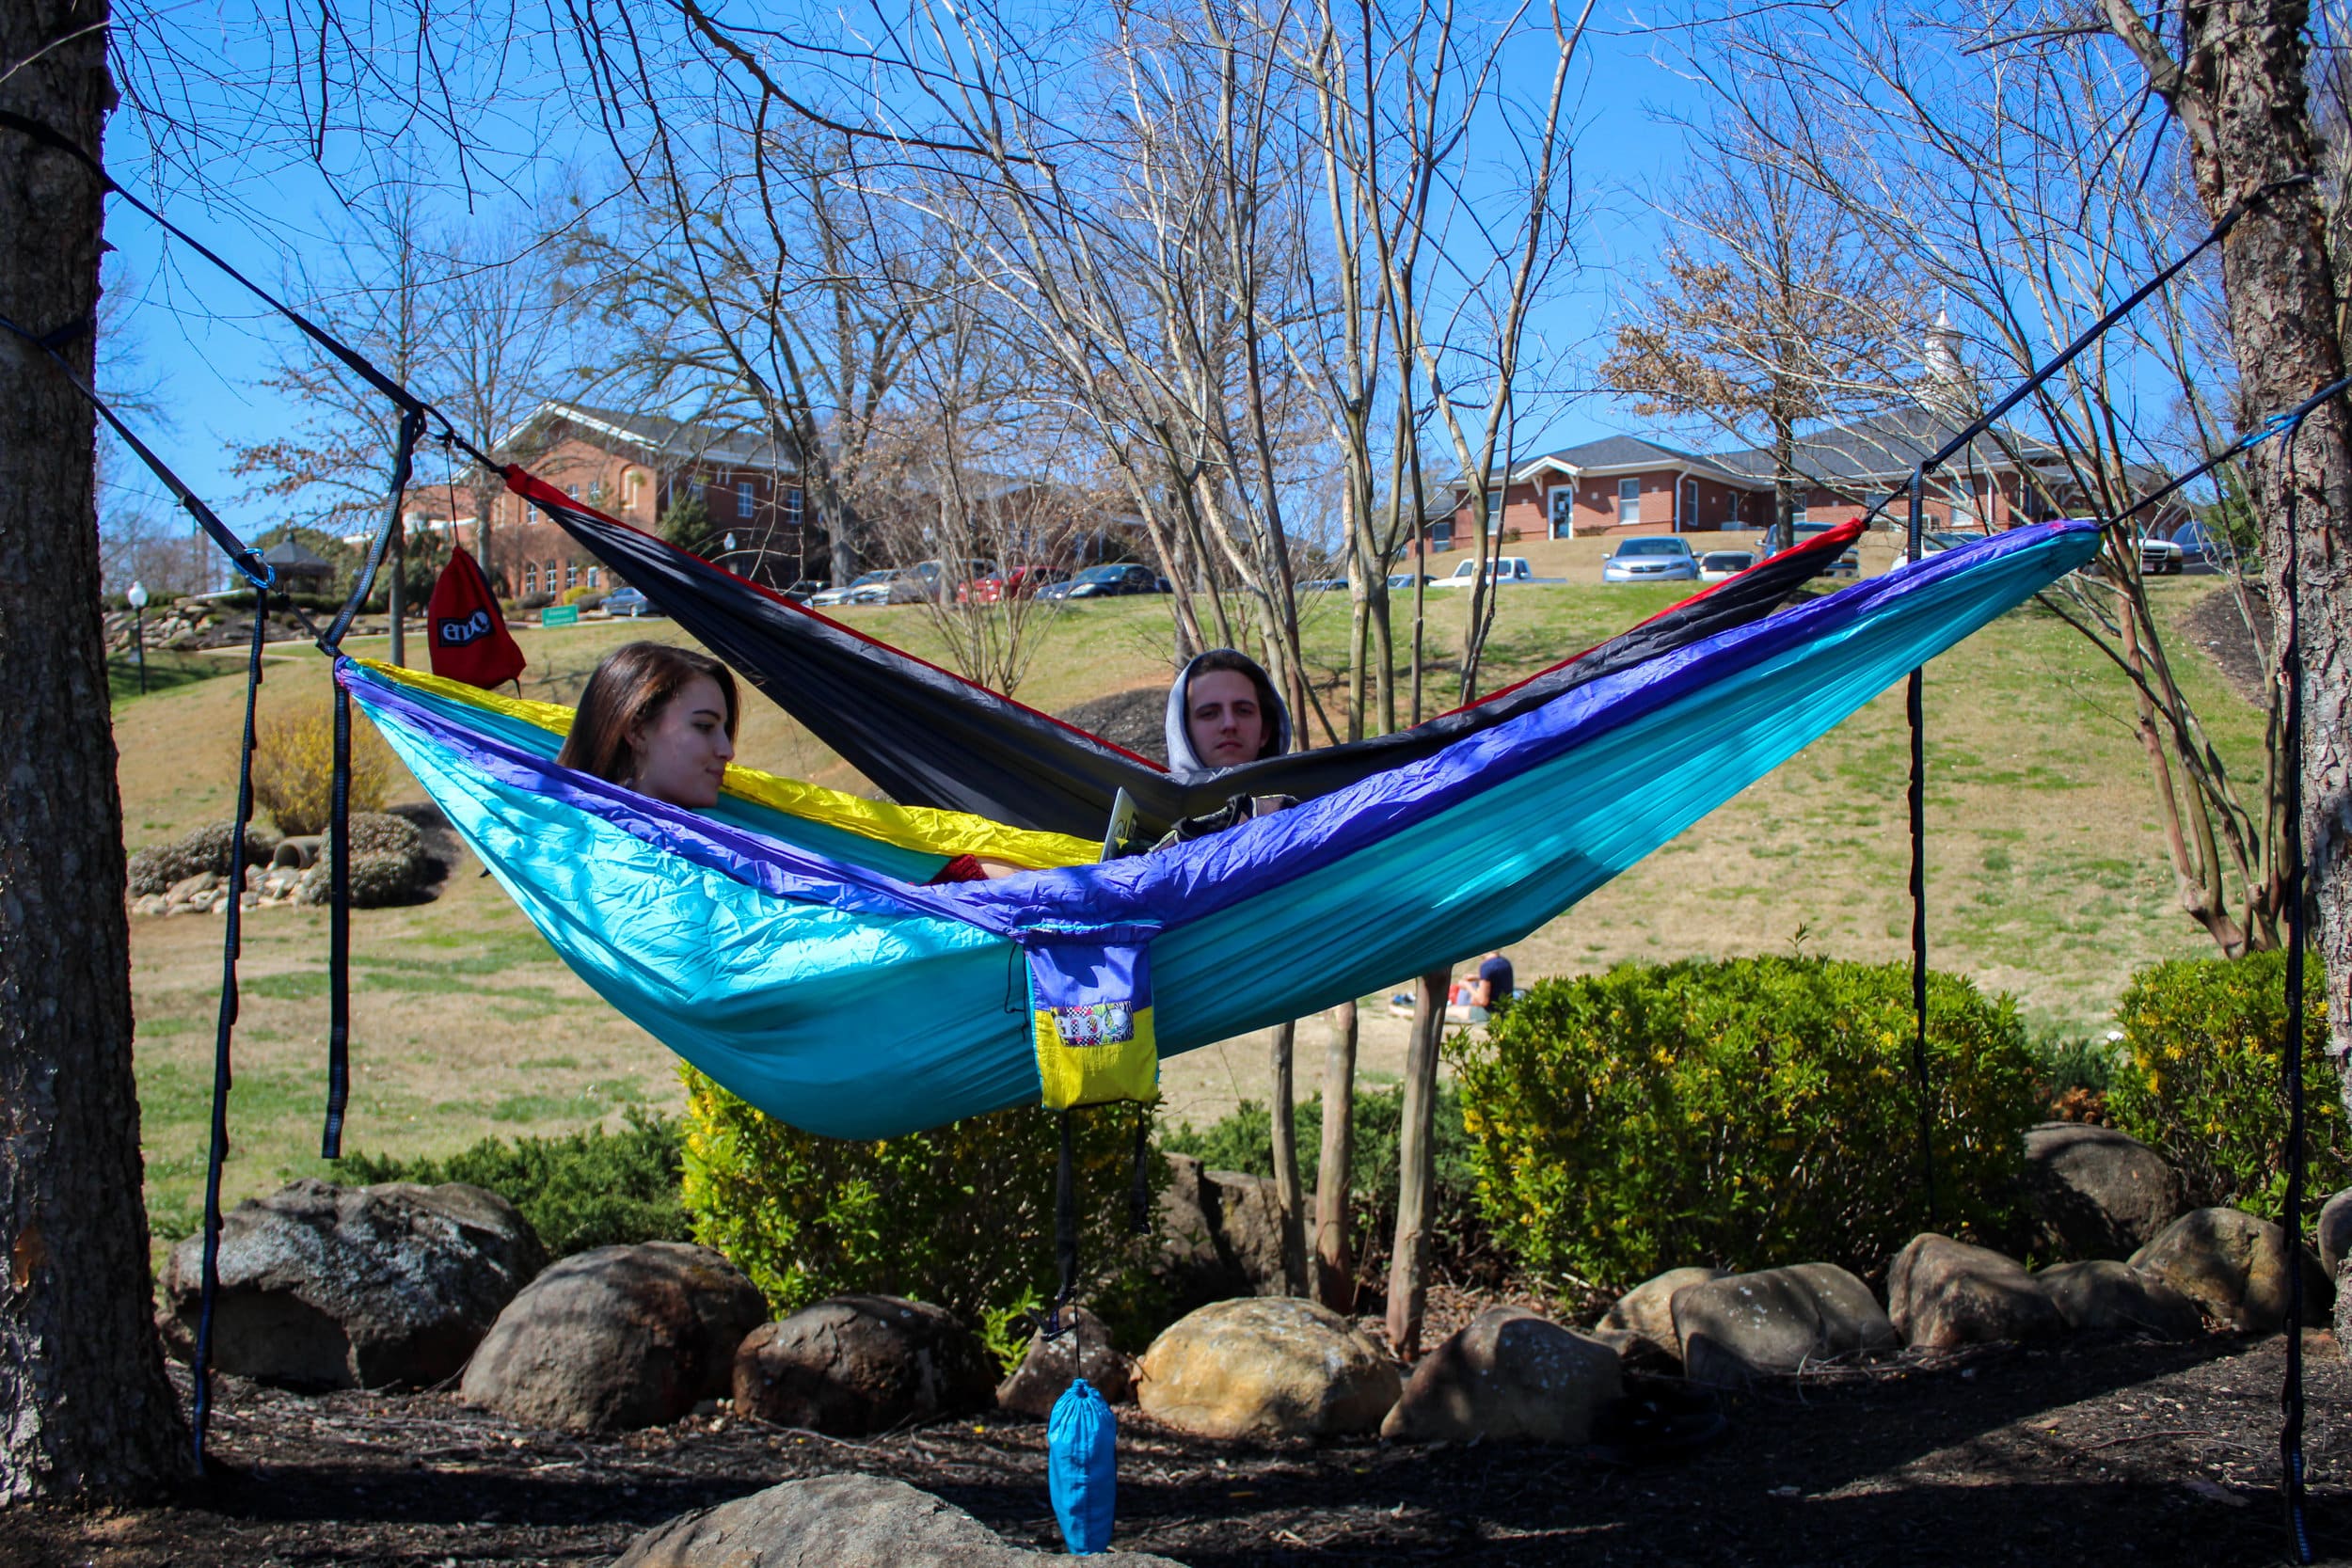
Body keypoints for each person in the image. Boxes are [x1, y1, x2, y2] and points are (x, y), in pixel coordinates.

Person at [556, 641, 1017, 880]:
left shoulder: (712, 828)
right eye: (703, 726)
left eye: (724, 729)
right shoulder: (619, 856)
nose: (727, 750)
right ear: (636, 729)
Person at [1142, 648, 1295, 851]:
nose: (1229, 724)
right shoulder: (1149, 825)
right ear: (1183, 731)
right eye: (1209, 714)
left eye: (1243, 711)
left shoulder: (1307, 812)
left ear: (1265, 732)